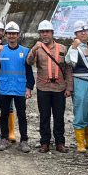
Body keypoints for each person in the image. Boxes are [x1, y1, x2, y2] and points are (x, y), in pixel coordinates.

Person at [27, 20, 71, 152]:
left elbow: (68, 69)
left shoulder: (62, 48)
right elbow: (29, 62)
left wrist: (69, 87)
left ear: (52, 33)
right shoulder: (37, 48)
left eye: (47, 32)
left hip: (59, 87)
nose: (45, 34)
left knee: (59, 116)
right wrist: (33, 50)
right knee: (44, 116)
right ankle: (44, 142)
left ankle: (60, 142)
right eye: (42, 32)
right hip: (43, 88)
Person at [0, 22, 33, 153]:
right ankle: (4, 138)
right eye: (9, 34)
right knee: (4, 114)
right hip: (4, 87)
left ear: (18, 35)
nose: (12, 36)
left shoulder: (25, 51)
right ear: (6, 35)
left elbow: (29, 71)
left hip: (19, 87)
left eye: (14, 34)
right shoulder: (1, 49)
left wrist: (29, 87)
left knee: (22, 115)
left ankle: (24, 140)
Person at [65, 22, 88, 152]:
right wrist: (74, 48)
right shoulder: (74, 47)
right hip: (80, 81)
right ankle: (80, 143)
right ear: (76, 34)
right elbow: (70, 62)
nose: (84, 33)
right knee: (80, 112)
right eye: (81, 32)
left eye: (85, 30)